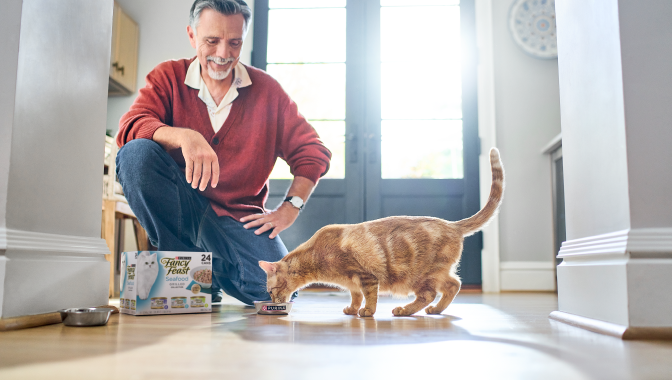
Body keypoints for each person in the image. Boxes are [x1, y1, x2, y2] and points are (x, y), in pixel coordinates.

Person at [115, 0, 331, 305]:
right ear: (192, 36)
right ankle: (187, 265)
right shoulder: (168, 77)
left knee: (281, 289)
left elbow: (313, 151)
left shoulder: (268, 92)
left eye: (234, 42)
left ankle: (209, 275)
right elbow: (132, 125)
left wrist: (290, 207)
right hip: (180, 205)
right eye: (212, 41)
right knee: (136, 153)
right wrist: (183, 136)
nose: (223, 54)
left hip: (238, 217)